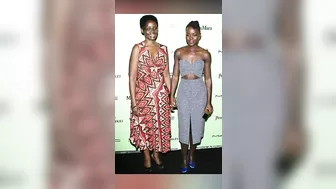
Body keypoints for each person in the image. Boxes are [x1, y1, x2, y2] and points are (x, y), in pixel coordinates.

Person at [221, 0, 303, 188]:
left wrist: (293, 120)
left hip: (262, 82)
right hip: (211, 74)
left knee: (260, 177)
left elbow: (292, 46)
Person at [128, 15, 171, 173]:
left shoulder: (164, 49)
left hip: (160, 98)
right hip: (142, 97)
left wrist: (171, 95)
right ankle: (146, 156)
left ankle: (156, 154)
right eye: (148, 28)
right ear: (142, 30)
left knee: (159, 128)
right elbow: (132, 77)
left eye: (155, 28)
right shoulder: (137, 49)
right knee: (144, 127)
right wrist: (134, 103)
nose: (152, 31)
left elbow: (166, 75)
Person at [170, 21, 213, 173]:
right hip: (183, 90)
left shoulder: (205, 54)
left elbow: (207, 79)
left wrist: (209, 101)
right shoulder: (179, 52)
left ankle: (192, 155)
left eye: (194, 34)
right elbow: (175, 76)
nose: (191, 38)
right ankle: (183, 158)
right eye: (188, 34)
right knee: (184, 126)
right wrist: (171, 96)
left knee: (196, 126)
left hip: (199, 91)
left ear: (199, 35)